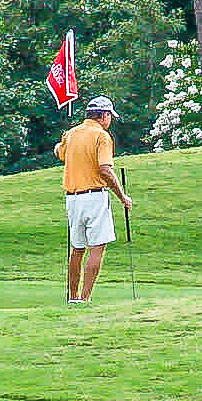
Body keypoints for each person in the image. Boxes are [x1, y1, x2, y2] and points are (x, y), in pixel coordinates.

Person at [55, 95, 132, 304]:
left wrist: (62, 142)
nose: (110, 121)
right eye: (110, 116)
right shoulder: (102, 136)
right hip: (95, 197)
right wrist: (122, 196)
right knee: (97, 247)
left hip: (72, 199)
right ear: (104, 116)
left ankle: (73, 298)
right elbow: (105, 169)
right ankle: (85, 298)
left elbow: (59, 152)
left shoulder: (71, 134)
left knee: (77, 249)